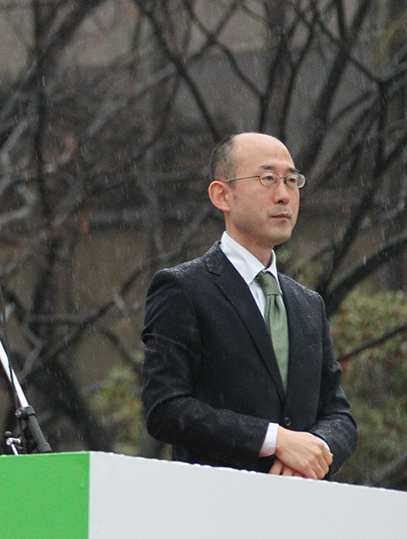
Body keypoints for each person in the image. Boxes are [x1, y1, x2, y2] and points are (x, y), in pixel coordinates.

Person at [141, 132, 357, 478]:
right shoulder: (183, 288)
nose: (284, 195)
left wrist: (313, 451)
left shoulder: (308, 304)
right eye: (268, 179)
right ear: (222, 195)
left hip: (301, 503)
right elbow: (166, 408)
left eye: (291, 180)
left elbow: (339, 415)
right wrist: (273, 440)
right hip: (216, 500)